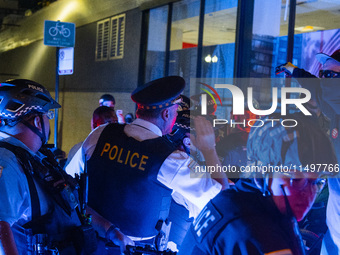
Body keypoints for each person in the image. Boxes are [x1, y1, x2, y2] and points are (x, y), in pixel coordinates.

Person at [66, 76, 228, 248]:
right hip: (136, 249)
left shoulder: (100, 134)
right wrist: (209, 149)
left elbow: (69, 180)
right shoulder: (170, 159)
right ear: (166, 114)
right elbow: (223, 199)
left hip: (88, 245)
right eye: (174, 111)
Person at [0, 79, 130, 254]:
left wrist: (112, 231)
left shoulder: (37, 159)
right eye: (48, 115)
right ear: (37, 121)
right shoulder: (8, 164)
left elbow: (72, 205)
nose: (48, 122)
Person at [179, 114, 338, 255]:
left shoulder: (238, 199)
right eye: (296, 180)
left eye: (316, 182)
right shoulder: (255, 231)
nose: (308, 193)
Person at [276, 49, 340, 254]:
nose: (323, 80)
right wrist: (293, 70)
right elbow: (313, 85)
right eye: (323, 74)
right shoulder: (332, 105)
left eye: (330, 75)